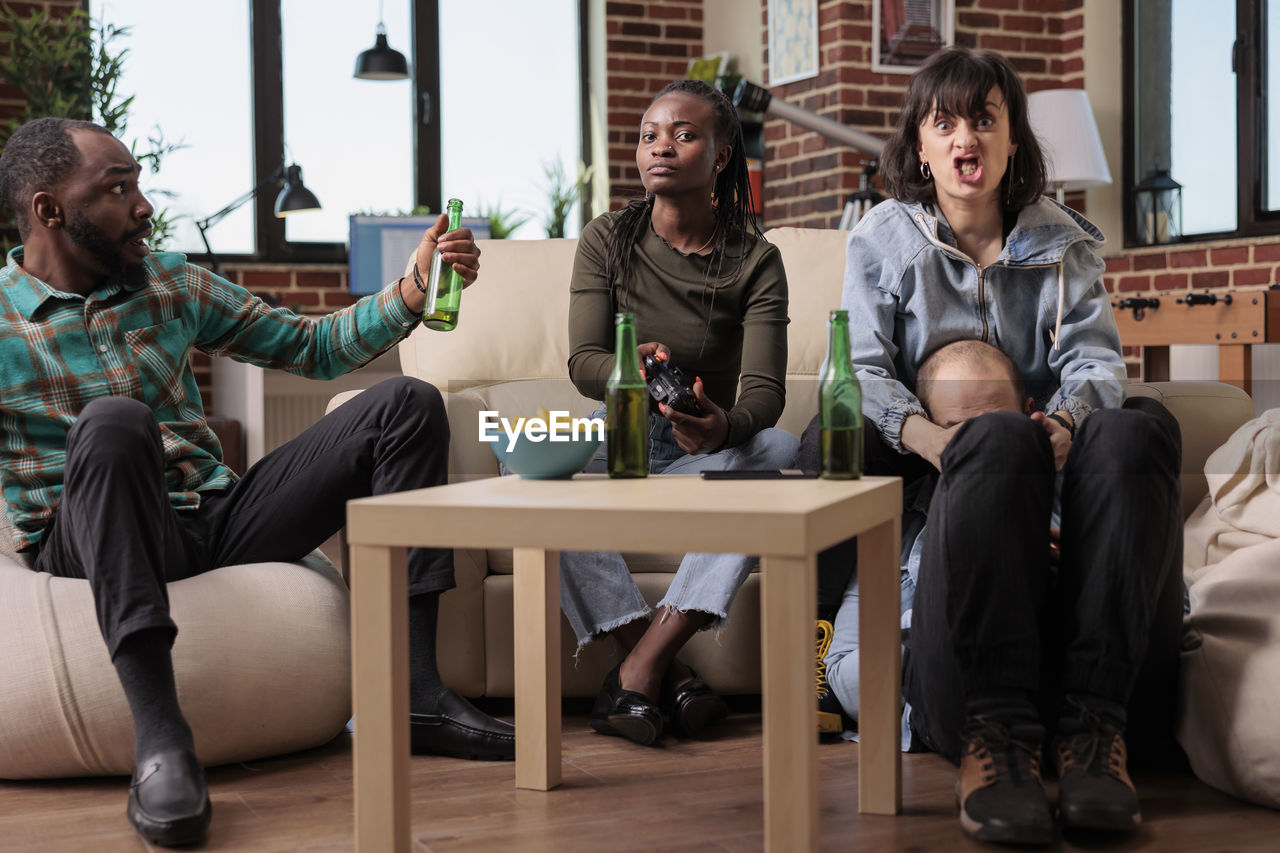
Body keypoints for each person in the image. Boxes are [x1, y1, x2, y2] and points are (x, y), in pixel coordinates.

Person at [0, 117, 514, 848]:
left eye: (138, 183)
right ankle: (162, 738)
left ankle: (416, 691)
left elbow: (310, 346)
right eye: (117, 190)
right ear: (50, 209)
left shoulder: (169, 281)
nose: (143, 205)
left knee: (406, 404)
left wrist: (413, 286)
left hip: (214, 517)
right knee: (115, 422)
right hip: (90, 533)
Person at [829, 48, 1184, 846]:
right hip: (963, 627)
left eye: (985, 119)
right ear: (919, 145)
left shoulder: (1063, 244)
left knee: (1139, 422)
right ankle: (1000, 742)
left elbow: (1095, 363)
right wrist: (936, 442)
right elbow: (862, 371)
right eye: (944, 121)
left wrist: (1058, 428)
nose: (967, 138)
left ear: (1013, 139)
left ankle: (1096, 734)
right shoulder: (882, 241)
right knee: (993, 444)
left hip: (1059, 521)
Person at [563, 79, 797, 747]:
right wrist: (625, 369)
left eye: (684, 133)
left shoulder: (756, 259)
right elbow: (584, 361)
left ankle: (637, 671)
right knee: (523, 464)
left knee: (780, 450)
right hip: (624, 448)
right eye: (649, 134)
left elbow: (764, 393)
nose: (661, 145)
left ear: (722, 154)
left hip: (707, 454)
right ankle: (666, 667)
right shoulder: (607, 238)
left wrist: (722, 424)